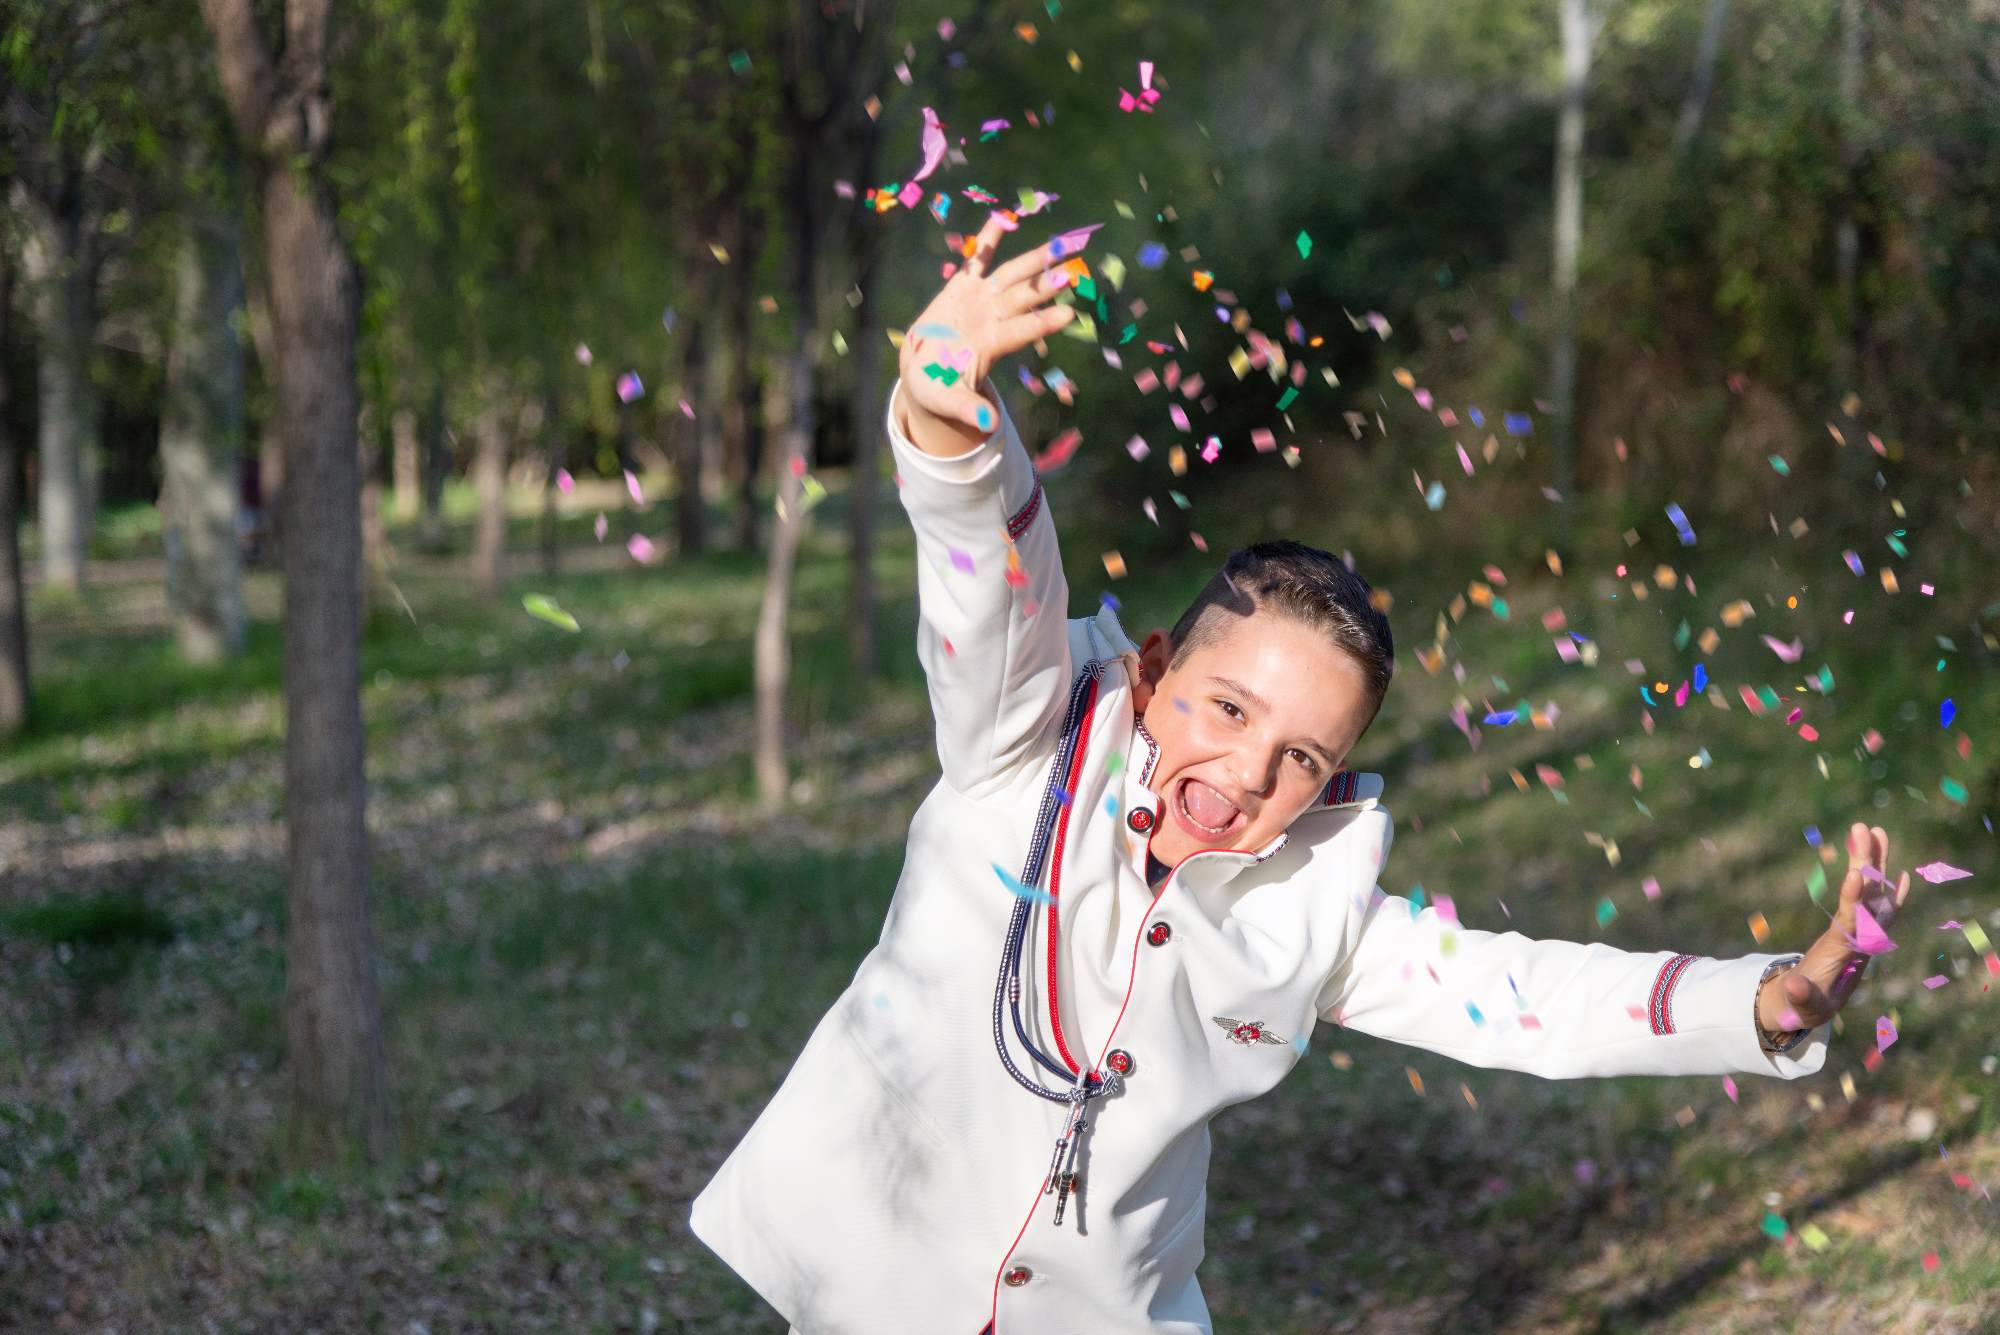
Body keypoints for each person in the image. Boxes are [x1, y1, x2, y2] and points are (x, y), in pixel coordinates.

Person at [688, 213, 1915, 1335]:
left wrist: (1764, 1003)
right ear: (1157, 671)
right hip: (871, 1300)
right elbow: (989, 588)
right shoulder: (1019, 743)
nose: (1247, 768)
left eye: (1301, 759)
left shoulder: (1308, 911)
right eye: (1225, 707)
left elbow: (1523, 995)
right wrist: (953, 422)